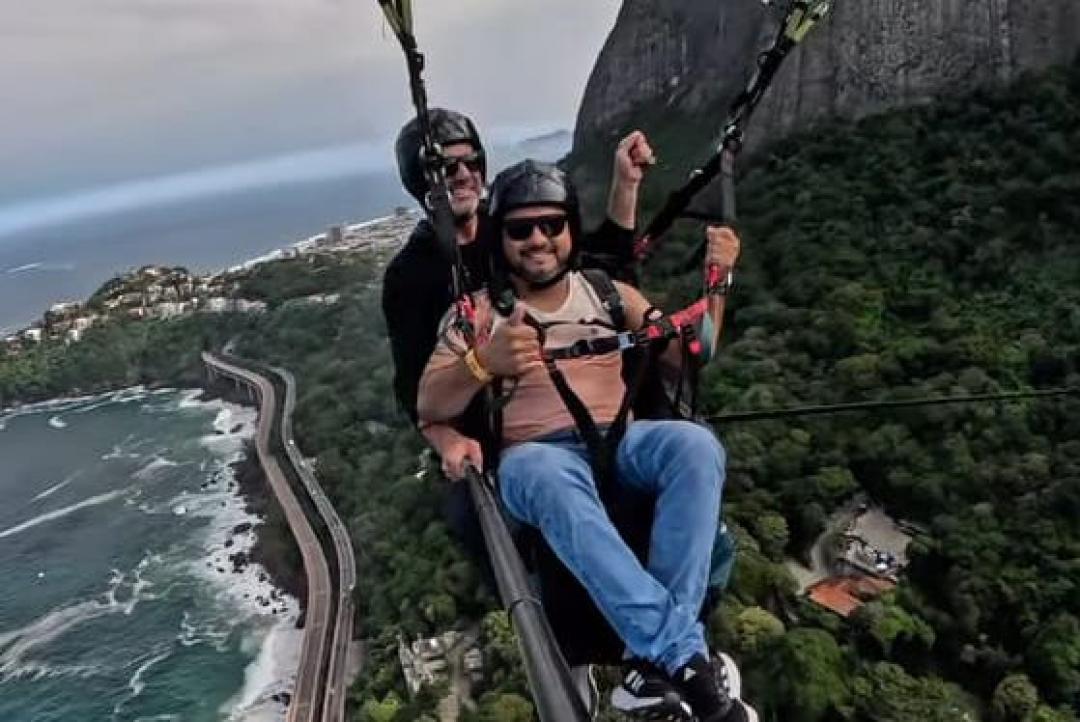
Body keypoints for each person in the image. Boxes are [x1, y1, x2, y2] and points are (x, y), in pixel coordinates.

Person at [417, 160, 756, 722]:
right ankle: (683, 657)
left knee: (695, 446)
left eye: (551, 225)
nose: (537, 240)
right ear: (501, 239)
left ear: (570, 229)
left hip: (620, 442)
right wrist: (482, 363)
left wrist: (716, 281)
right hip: (535, 457)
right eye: (520, 229)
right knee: (546, 476)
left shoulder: (606, 293)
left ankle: (657, 668)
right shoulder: (478, 314)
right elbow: (430, 402)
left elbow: (695, 355)